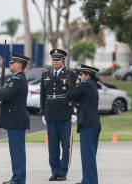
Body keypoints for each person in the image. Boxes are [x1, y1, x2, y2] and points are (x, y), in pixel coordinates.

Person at [40, 49, 78, 181]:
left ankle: (63, 172)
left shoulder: (70, 75)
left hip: (65, 113)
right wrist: (42, 112)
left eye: (57, 59)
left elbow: (76, 94)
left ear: (63, 60)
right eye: (53, 59)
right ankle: (54, 171)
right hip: (50, 114)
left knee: (66, 145)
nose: (55, 62)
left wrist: (74, 112)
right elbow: (43, 95)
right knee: (52, 146)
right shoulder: (45, 75)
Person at [0, 52, 31, 184]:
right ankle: (16, 177)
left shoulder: (18, 79)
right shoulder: (15, 78)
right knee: (15, 151)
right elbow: (6, 94)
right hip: (14, 120)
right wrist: (0, 95)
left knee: (17, 151)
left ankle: (19, 179)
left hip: (16, 120)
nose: (10, 64)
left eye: (12, 62)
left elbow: (6, 95)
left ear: (19, 65)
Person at [66, 64, 101, 184]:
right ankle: (87, 180)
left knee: (88, 156)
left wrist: (70, 84)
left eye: (82, 74)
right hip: (92, 123)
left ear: (87, 76)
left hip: (88, 124)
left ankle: (90, 181)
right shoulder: (91, 86)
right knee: (88, 156)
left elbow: (69, 94)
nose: (80, 77)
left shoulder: (85, 85)